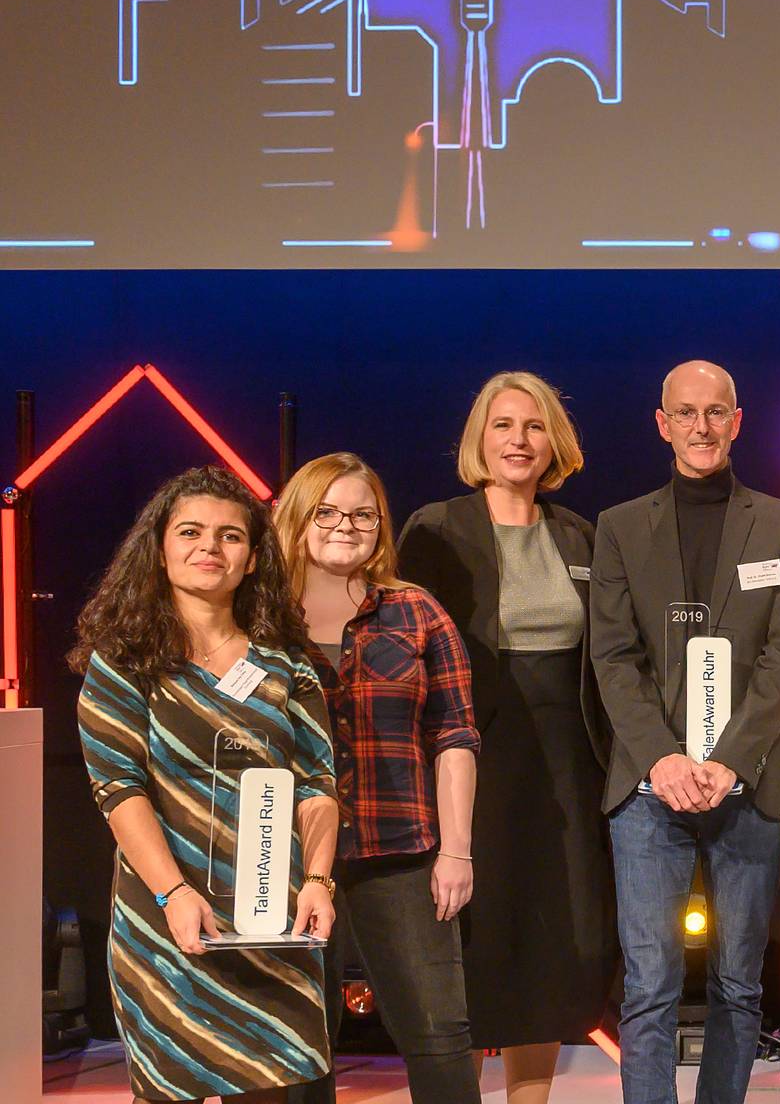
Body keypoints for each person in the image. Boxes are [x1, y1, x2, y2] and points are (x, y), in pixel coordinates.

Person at [75, 466, 342, 1103]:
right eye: (190, 532)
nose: (209, 547)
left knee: (271, 1088)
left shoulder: (287, 665)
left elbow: (317, 783)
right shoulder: (123, 660)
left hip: (268, 919)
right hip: (165, 917)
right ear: (160, 548)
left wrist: (319, 880)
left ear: (252, 559)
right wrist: (172, 893)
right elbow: (118, 787)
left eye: (230, 536)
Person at [590, 359, 780, 1104]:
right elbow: (613, 655)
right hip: (649, 786)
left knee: (738, 983)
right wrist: (662, 759)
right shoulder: (620, 527)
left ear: (738, 421)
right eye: (685, 413)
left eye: (715, 412)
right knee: (649, 985)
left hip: (745, 785)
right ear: (662, 424)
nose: (701, 427)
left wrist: (729, 760)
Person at [394, 370, 614, 1104]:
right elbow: (409, 656)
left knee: (552, 948)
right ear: (478, 440)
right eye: (503, 425)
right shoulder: (435, 528)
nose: (518, 441)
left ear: (555, 440)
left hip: (567, 767)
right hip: (472, 759)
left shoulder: (579, 533)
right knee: (475, 942)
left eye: (533, 426)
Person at [277, 453, 481, 1104]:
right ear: (299, 519)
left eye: (363, 513)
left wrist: (455, 850)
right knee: (298, 1042)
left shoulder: (417, 612)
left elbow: (454, 733)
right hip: (281, 858)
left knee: (438, 1032)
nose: (346, 525)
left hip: (401, 852)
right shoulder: (258, 620)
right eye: (328, 511)